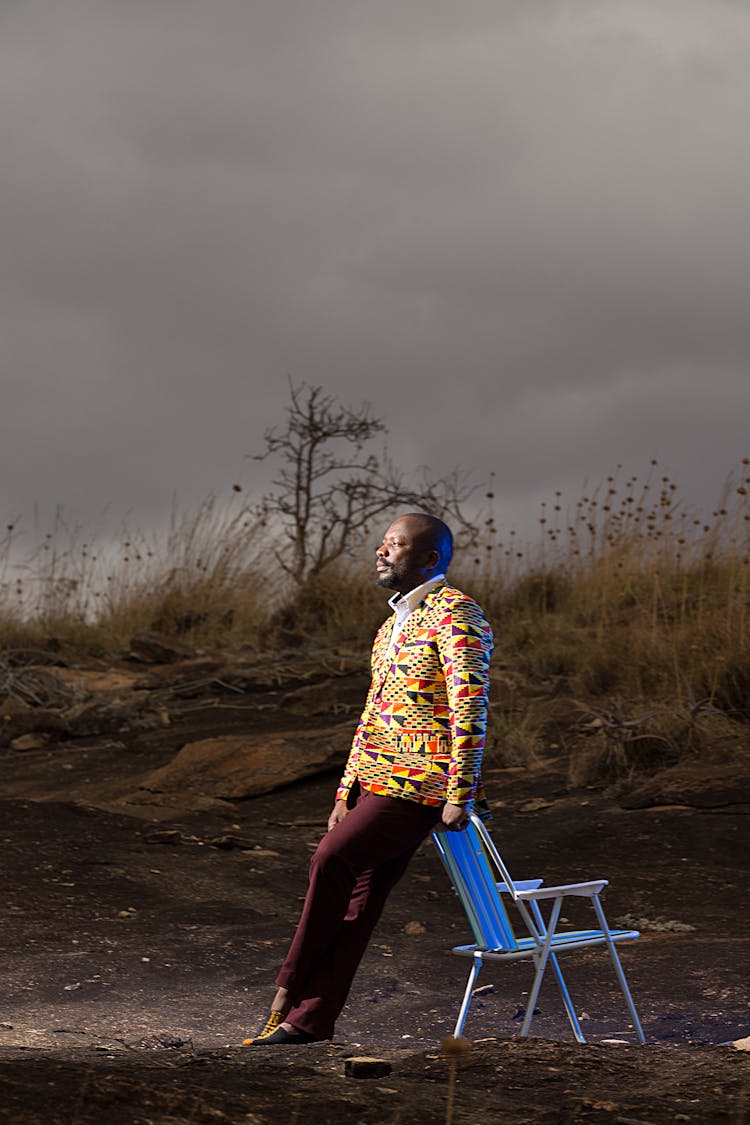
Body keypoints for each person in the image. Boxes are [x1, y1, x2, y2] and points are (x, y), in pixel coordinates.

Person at [244, 512, 493, 1046]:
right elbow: (373, 711)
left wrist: (461, 793)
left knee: (330, 859)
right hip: (374, 780)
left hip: (421, 784)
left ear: (429, 558)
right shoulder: (391, 623)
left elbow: (469, 707)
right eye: (382, 544)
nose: (383, 553)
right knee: (360, 902)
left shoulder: (458, 615)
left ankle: (285, 992)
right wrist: (345, 790)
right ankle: (309, 1022)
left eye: (396, 546)